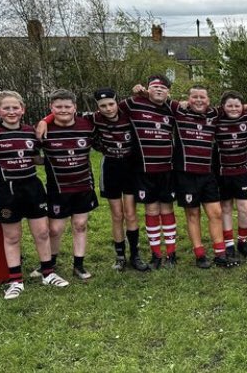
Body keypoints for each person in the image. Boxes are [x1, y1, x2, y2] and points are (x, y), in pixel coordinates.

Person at [0, 91, 69, 299]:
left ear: (22, 109)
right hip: (6, 191)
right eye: (6, 108)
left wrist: (59, 157)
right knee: (12, 236)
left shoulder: (29, 131)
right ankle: (16, 281)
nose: (11, 112)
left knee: (42, 232)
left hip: (32, 187)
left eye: (15, 107)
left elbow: (36, 158)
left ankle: (48, 272)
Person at [169, 84, 240, 268]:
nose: (199, 100)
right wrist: (141, 90)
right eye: (195, 97)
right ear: (188, 98)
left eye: (202, 97)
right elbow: (156, 97)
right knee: (193, 214)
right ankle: (200, 254)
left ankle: (220, 254)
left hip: (207, 173)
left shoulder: (214, 114)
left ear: (209, 100)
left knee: (215, 213)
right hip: (185, 174)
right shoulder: (178, 110)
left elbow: (241, 107)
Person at [40, 89, 98, 279]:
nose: (63, 110)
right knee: (55, 229)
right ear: (51, 108)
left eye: (67, 106)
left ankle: (79, 265)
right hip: (58, 189)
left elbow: (108, 115)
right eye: (58, 107)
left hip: (83, 186)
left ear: (75, 107)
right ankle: (50, 264)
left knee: (80, 225)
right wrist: (44, 120)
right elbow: (33, 154)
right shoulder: (44, 130)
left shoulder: (87, 125)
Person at [91, 88, 149, 271]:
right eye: (103, 106)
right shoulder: (93, 119)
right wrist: (46, 120)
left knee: (130, 214)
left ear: (117, 102)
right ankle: (120, 256)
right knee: (117, 215)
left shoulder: (128, 114)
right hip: (110, 169)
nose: (108, 109)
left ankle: (135, 254)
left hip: (130, 168)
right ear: (97, 107)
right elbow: (65, 115)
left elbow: (152, 101)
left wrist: (144, 91)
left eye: (111, 104)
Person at [124, 75, 178, 270]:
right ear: (147, 89)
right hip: (143, 170)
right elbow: (108, 110)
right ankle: (156, 254)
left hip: (167, 170)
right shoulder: (133, 103)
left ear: (168, 92)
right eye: (154, 87)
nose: (159, 90)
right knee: (151, 210)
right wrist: (47, 119)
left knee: (167, 210)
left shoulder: (171, 108)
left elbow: (192, 105)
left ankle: (171, 253)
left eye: (163, 88)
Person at [214, 90, 247, 259]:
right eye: (229, 106)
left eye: (237, 106)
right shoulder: (216, 119)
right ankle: (229, 243)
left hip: (242, 171)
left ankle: (242, 241)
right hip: (223, 171)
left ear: (242, 107)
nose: (233, 109)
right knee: (226, 208)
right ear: (223, 107)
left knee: (244, 209)